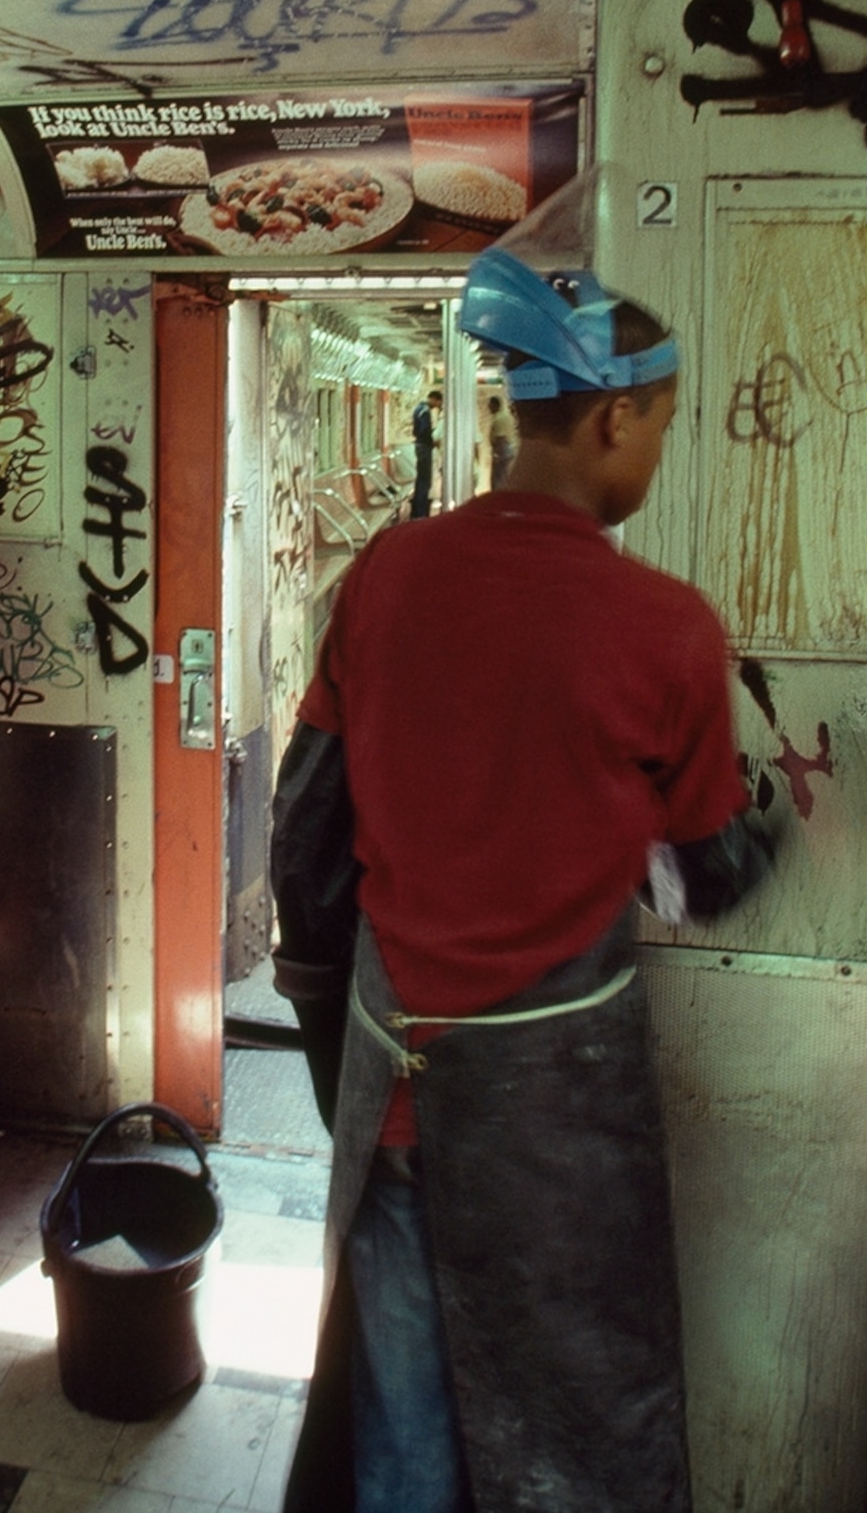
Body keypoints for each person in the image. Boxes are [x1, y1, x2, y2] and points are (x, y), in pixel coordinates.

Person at [273, 237, 788, 1512]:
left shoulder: (386, 575)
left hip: (395, 1087)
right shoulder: (667, 630)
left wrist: (319, 1001)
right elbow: (699, 876)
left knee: (407, 1419)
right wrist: (780, 824)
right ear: (614, 415)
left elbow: (308, 823)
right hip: (556, 1123)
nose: (657, 457)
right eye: (660, 427)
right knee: (571, 1437)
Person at [407, 389, 439, 519]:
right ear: (434, 399)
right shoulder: (425, 411)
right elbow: (424, 430)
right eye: (437, 403)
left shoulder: (419, 408)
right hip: (424, 447)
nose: (437, 406)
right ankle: (420, 511)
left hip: (419, 446)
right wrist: (433, 441)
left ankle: (417, 510)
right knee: (424, 480)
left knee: (421, 478)